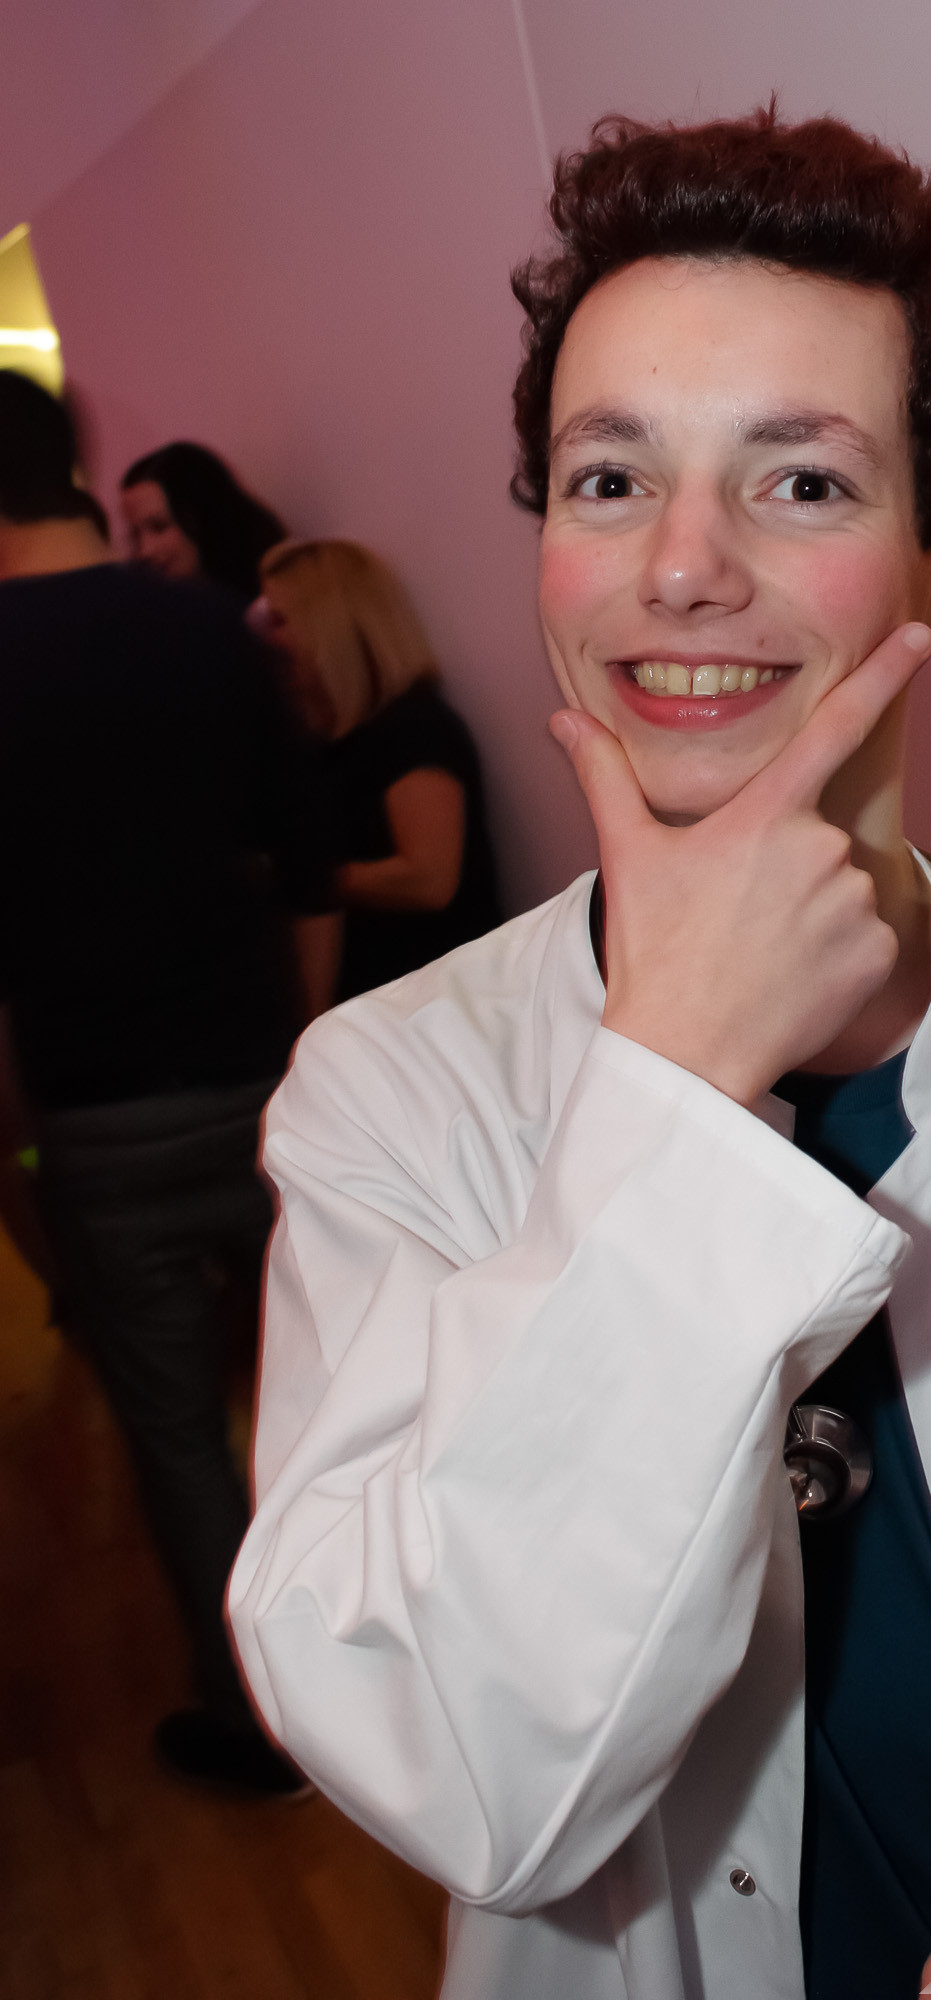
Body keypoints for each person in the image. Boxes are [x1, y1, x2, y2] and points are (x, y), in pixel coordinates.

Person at [228, 111, 931, 1993]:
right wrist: (673, 1083)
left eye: (801, 482)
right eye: (609, 479)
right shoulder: (387, 1098)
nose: (679, 569)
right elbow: (467, 1773)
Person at [0, 369, 339, 1797]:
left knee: (180, 1435)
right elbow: (311, 864)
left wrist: (17, 1157)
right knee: (338, 1386)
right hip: (262, 1078)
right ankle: (399, 1675)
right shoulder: (209, 627)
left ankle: (260, 1727)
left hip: (97, 1116)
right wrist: (306, 1055)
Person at [257, 538, 501, 998]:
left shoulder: (414, 728)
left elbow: (429, 880)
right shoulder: (324, 740)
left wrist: (300, 876)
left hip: (431, 1002)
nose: (265, 640)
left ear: (326, 626)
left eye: (279, 620)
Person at [120, 440, 286, 604]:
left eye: (159, 527)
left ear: (203, 517)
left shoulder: (272, 604)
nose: (145, 551)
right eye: (135, 535)